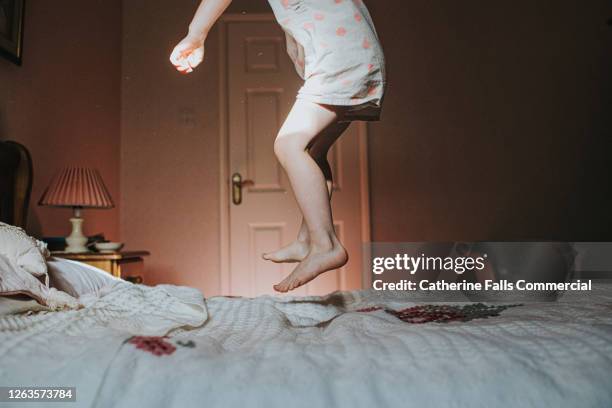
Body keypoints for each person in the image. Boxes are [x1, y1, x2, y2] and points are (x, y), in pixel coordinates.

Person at [170, 0, 386, 292]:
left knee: (288, 145)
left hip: (342, 59)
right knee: (312, 150)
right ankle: (307, 240)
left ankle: (325, 244)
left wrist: (196, 34)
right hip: (352, 55)